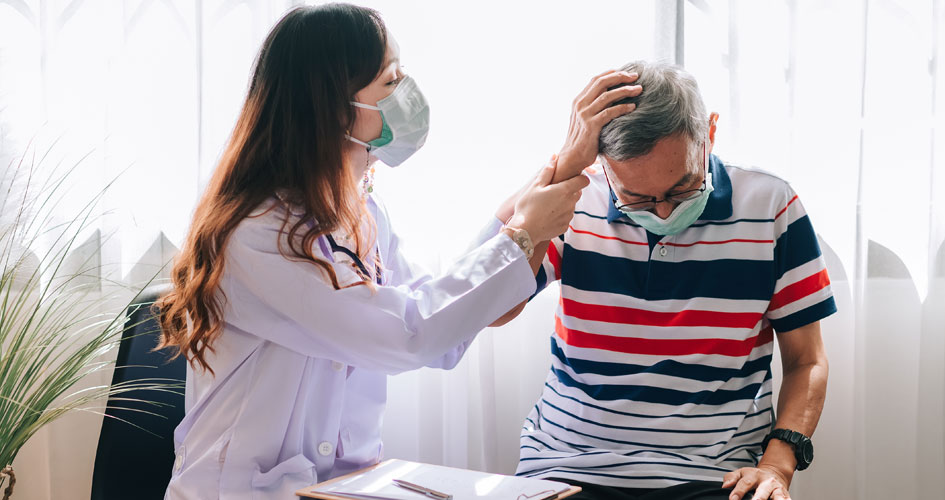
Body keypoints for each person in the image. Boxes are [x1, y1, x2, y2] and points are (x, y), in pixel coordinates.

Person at [154, 4, 639, 499]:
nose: (406, 92)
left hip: (340, 487)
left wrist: (532, 198)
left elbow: (439, 322)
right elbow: (410, 333)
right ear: (332, 103)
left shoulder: (361, 209)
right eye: (391, 81)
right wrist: (519, 236)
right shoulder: (258, 232)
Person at [498, 61, 836, 500]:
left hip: (714, 474)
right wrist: (563, 168)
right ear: (602, 161)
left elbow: (806, 361)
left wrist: (777, 464)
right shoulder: (573, 197)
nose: (662, 213)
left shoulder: (771, 205)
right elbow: (490, 309)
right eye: (635, 197)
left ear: (709, 133)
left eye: (681, 189)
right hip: (566, 463)